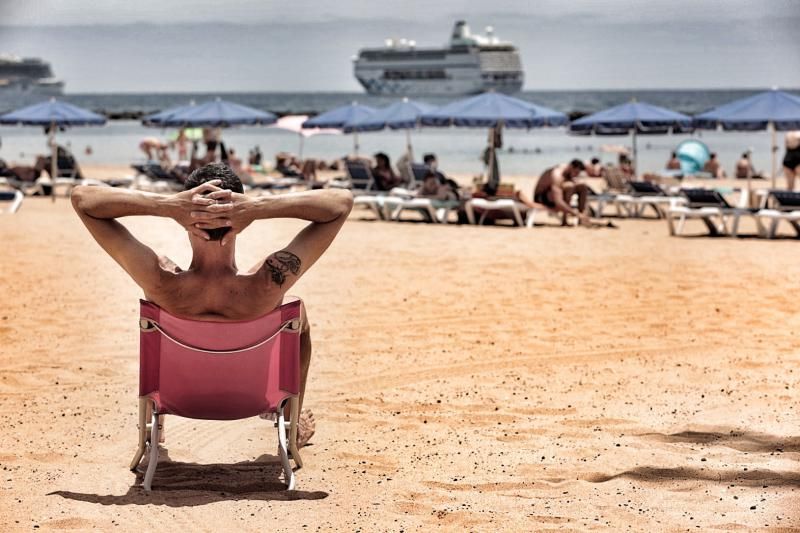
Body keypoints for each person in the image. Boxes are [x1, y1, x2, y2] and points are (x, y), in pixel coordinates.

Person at [71, 162, 354, 448]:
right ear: (240, 225)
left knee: (156, 316)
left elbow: (82, 199)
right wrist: (258, 207)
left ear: (186, 222)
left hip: (179, 399)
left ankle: (157, 422)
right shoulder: (267, 284)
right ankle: (291, 425)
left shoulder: (159, 279)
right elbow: (341, 202)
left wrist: (167, 205)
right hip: (251, 399)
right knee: (296, 311)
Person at [533, 159, 591, 226]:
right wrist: (576, 214)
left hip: (555, 195)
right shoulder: (557, 175)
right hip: (541, 198)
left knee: (583, 186)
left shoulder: (567, 172)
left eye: (578, 173)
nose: (576, 175)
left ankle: (582, 219)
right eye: (575, 172)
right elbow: (558, 202)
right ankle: (565, 220)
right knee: (569, 186)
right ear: (571, 167)